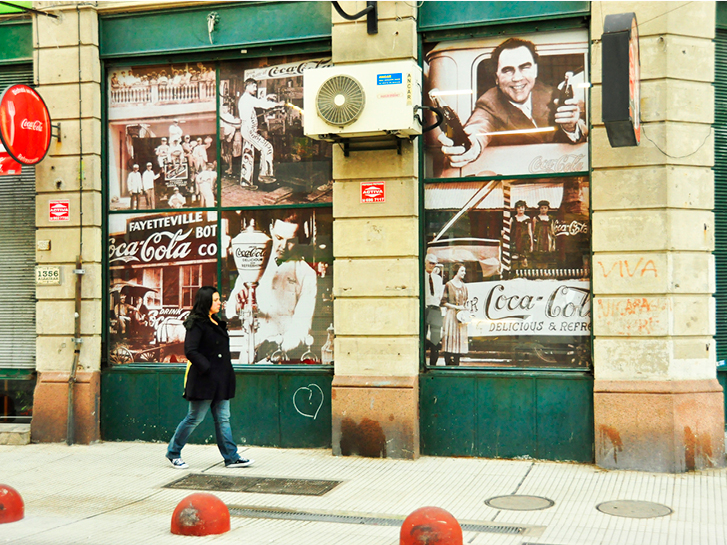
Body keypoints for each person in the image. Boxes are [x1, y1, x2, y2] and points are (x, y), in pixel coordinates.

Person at [438, 37, 587, 168]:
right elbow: (479, 126)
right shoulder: (489, 103)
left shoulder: (552, 94)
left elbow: (584, 130)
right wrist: (469, 145)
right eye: (508, 70)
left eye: (524, 67)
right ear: (496, 78)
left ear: (535, 70)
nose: (517, 78)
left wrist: (571, 127)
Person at [166, 286, 254, 470]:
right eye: (215, 300)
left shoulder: (215, 321)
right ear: (206, 302)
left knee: (223, 418)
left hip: (221, 379)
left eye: (218, 299)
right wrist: (207, 368)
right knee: (194, 417)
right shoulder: (196, 323)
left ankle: (231, 457)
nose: (219, 302)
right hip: (204, 380)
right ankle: (174, 453)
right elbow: (191, 350)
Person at [225, 211, 317, 361]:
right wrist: (238, 303)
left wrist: (278, 347)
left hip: (283, 357)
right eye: (279, 238)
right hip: (249, 354)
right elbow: (230, 311)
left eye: (291, 240)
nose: (283, 246)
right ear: (271, 229)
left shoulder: (306, 273)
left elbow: (302, 326)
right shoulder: (254, 260)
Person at [238, 78, 283, 183]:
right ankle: (264, 174)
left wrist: (267, 97)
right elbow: (262, 104)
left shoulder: (246, 98)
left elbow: (258, 102)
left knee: (248, 155)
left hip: (248, 130)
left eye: (256, 87)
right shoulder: (247, 98)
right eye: (253, 86)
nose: (255, 89)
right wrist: (278, 104)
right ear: (247, 86)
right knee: (267, 148)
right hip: (249, 131)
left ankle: (245, 181)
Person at [441, 263, 469, 366]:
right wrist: (456, 307)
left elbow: (465, 301)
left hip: (461, 316)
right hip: (451, 315)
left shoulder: (464, 286)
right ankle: (447, 362)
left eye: (464, 271)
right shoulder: (449, 285)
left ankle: (457, 363)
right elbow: (443, 302)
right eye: (462, 271)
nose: (464, 273)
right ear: (456, 271)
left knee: (459, 339)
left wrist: (464, 310)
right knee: (450, 338)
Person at [424, 253, 444, 366]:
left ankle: (433, 364)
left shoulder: (438, 278)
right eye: (430, 263)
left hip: (435, 309)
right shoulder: (421, 276)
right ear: (425, 263)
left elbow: (439, 295)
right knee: (423, 336)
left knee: (435, 340)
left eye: (434, 264)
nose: (432, 266)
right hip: (425, 308)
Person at [532, 199, 555, 268]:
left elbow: (552, 229)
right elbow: (533, 229)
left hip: (548, 238)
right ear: (539, 209)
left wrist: (552, 239)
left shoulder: (550, 218)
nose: (543, 210)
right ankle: (539, 268)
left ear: (548, 209)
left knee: (547, 253)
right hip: (539, 237)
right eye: (541, 208)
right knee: (539, 253)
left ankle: (546, 269)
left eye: (545, 208)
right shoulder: (535, 218)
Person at [512, 200, 533, 270]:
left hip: (524, 240)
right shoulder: (513, 219)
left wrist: (531, 244)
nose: (520, 209)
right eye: (519, 207)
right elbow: (508, 230)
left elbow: (530, 231)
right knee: (515, 257)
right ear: (516, 209)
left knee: (524, 257)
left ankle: (524, 273)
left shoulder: (527, 219)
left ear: (524, 208)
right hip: (515, 240)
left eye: (522, 207)